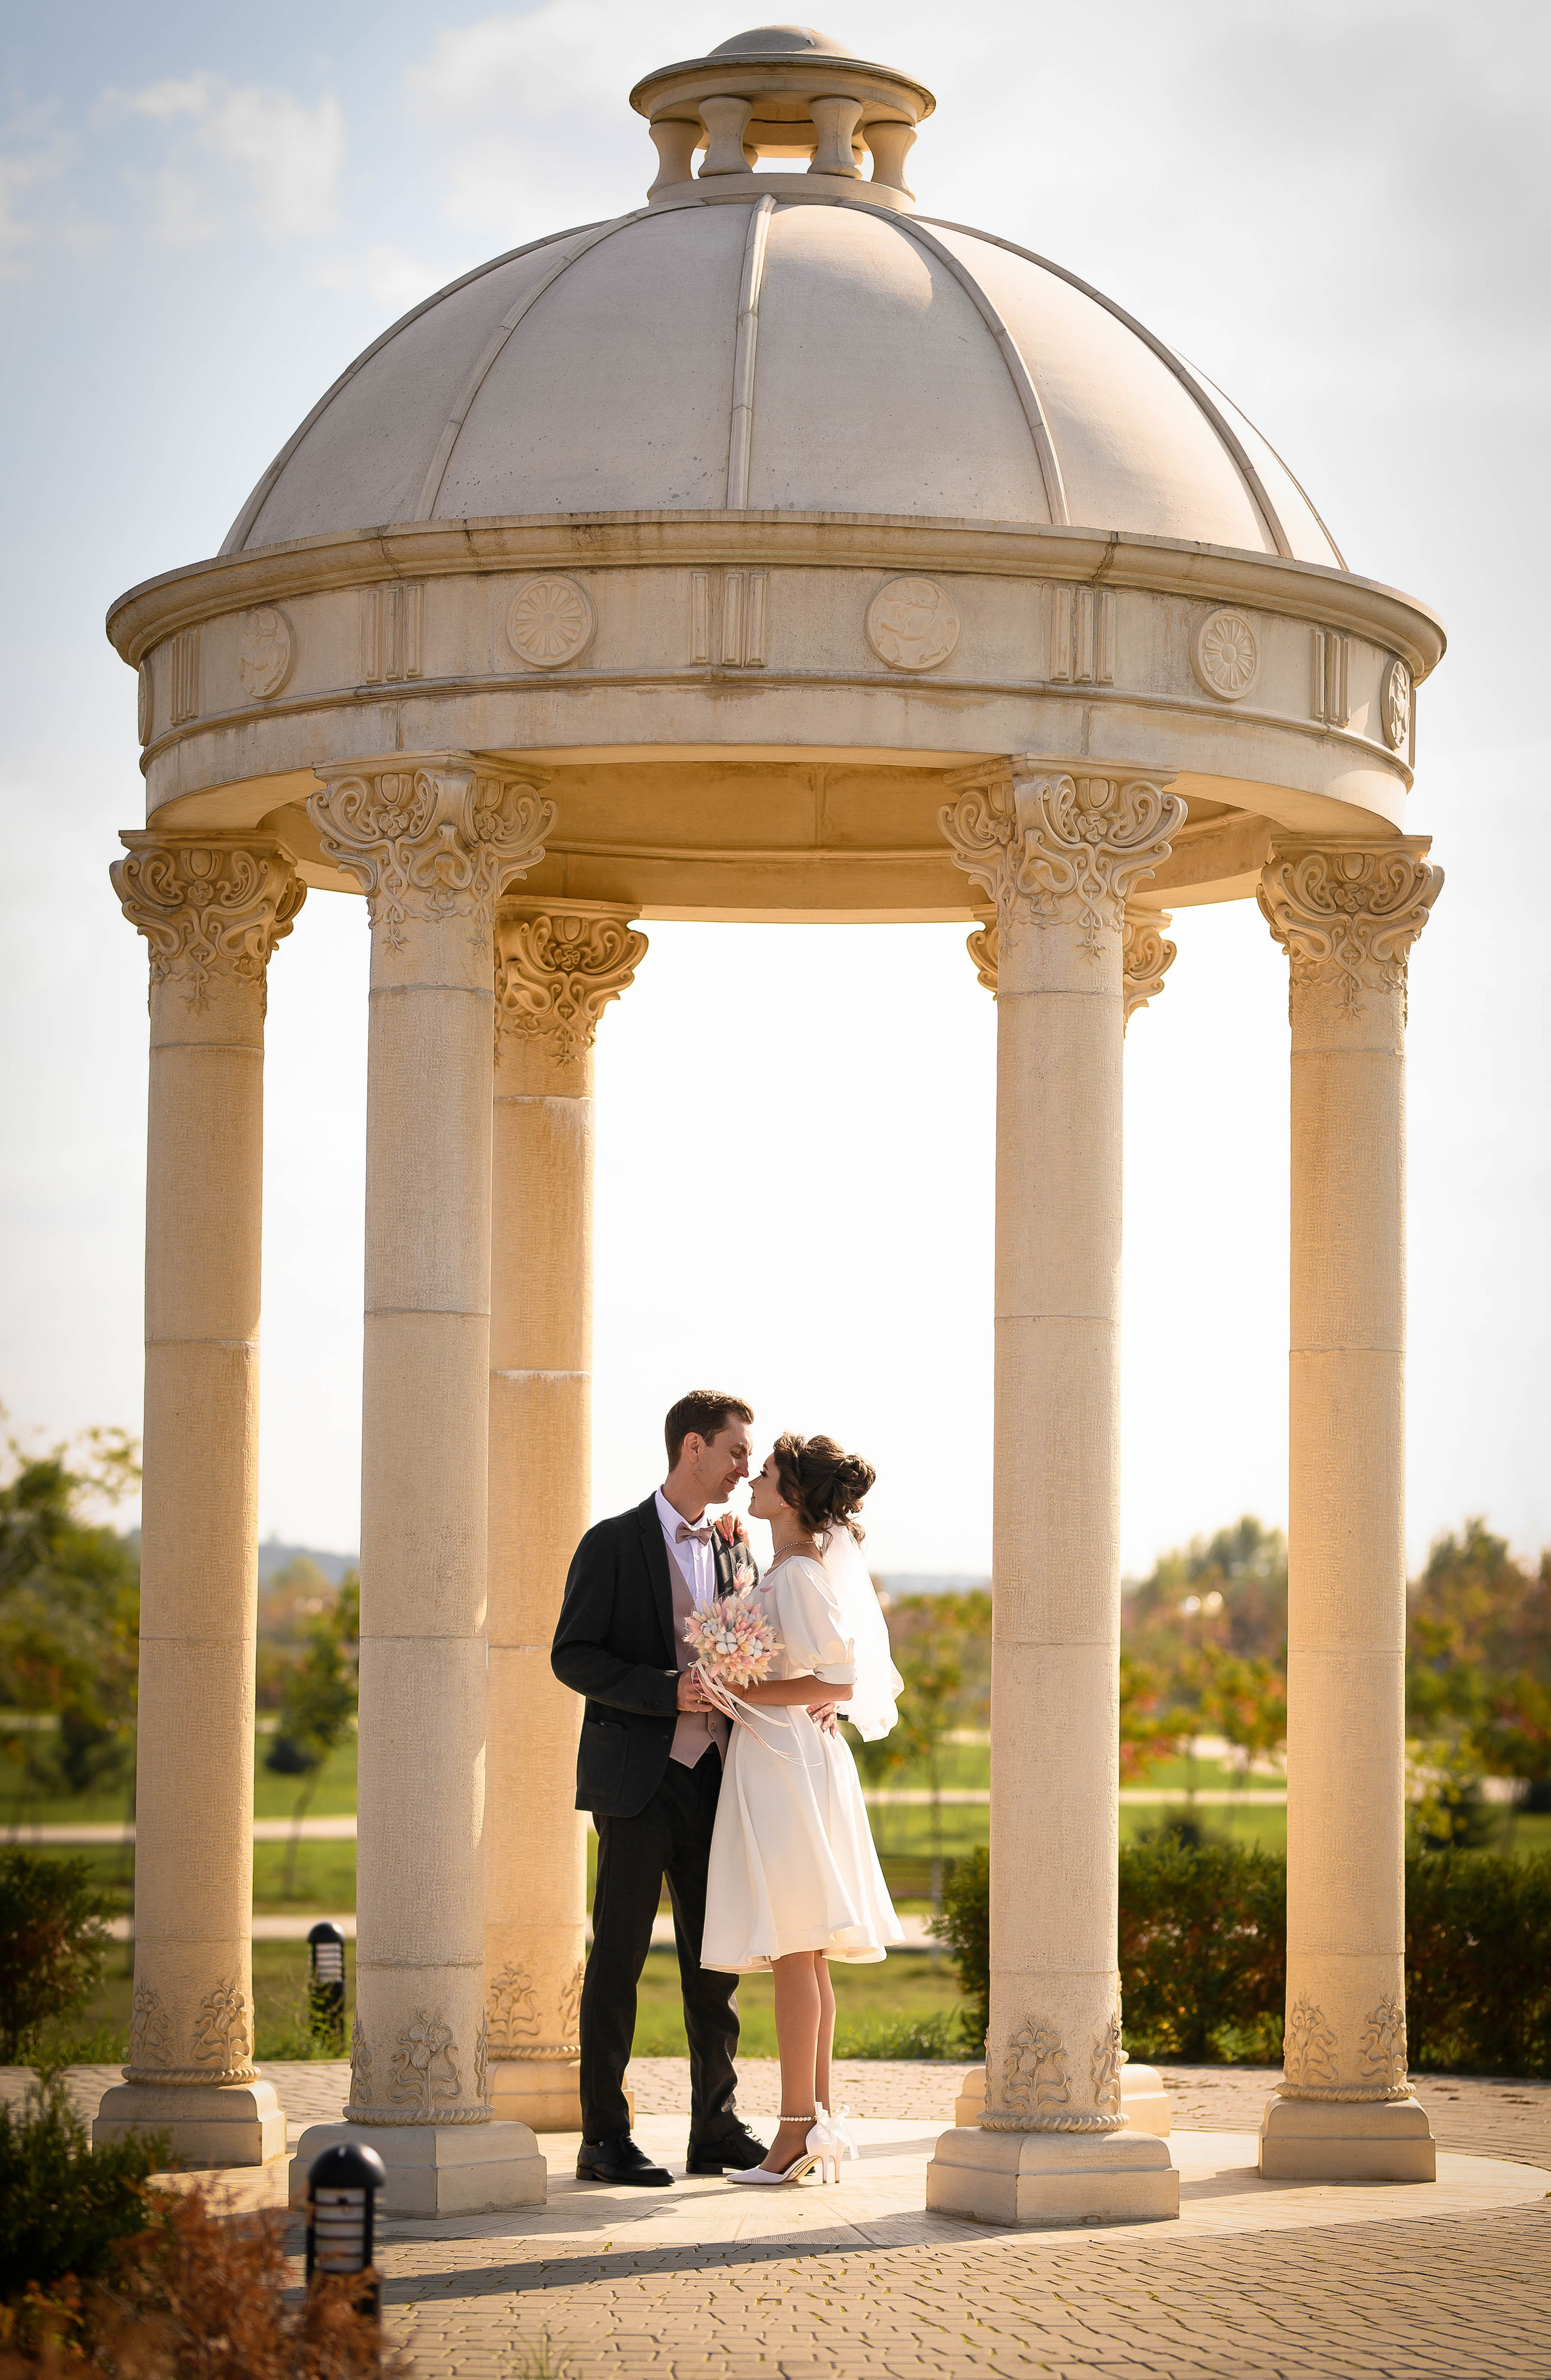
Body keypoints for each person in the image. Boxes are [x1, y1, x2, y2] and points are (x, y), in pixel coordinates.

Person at [553, 1390, 832, 2187]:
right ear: (693, 1447)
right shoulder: (611, 1542)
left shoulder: (737, 1551)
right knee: (618, 1960)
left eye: (750, 1456)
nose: (746, 1466)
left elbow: (772, 1651)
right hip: (636, 1785)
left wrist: (821, 1696)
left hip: (720, 1781)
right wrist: (663, 1690)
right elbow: (573, 1654)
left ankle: (715, 2125)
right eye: (737, 1450)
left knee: (717, 1965)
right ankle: (604, 2136)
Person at [702, 1432, 904, 2185]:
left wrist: (743, 1688)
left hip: (784, 1762)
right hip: (782, 1756)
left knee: (795, 1944)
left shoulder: (797, 1576)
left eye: (764, 1472)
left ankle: (793, 2132)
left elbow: (839, 1680)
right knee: (806, 1947)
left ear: (790, 1496)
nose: (752, 1479)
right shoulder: (789, 1569)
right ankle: (814, 2119)